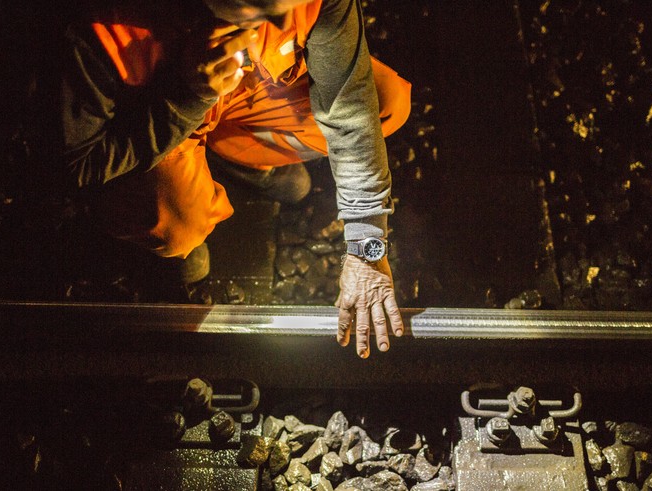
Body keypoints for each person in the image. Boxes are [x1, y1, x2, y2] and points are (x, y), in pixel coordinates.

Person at [57, 0, 410, 358]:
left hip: (247, 89)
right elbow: (79, 165)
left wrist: (367, 243)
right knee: (178, 225)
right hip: (165, 106)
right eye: (259, 7)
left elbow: (350, 107)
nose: (285, 19)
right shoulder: (104, 29)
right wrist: (189, 96)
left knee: (387, 100)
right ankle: (175, 202)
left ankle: (235, 158)